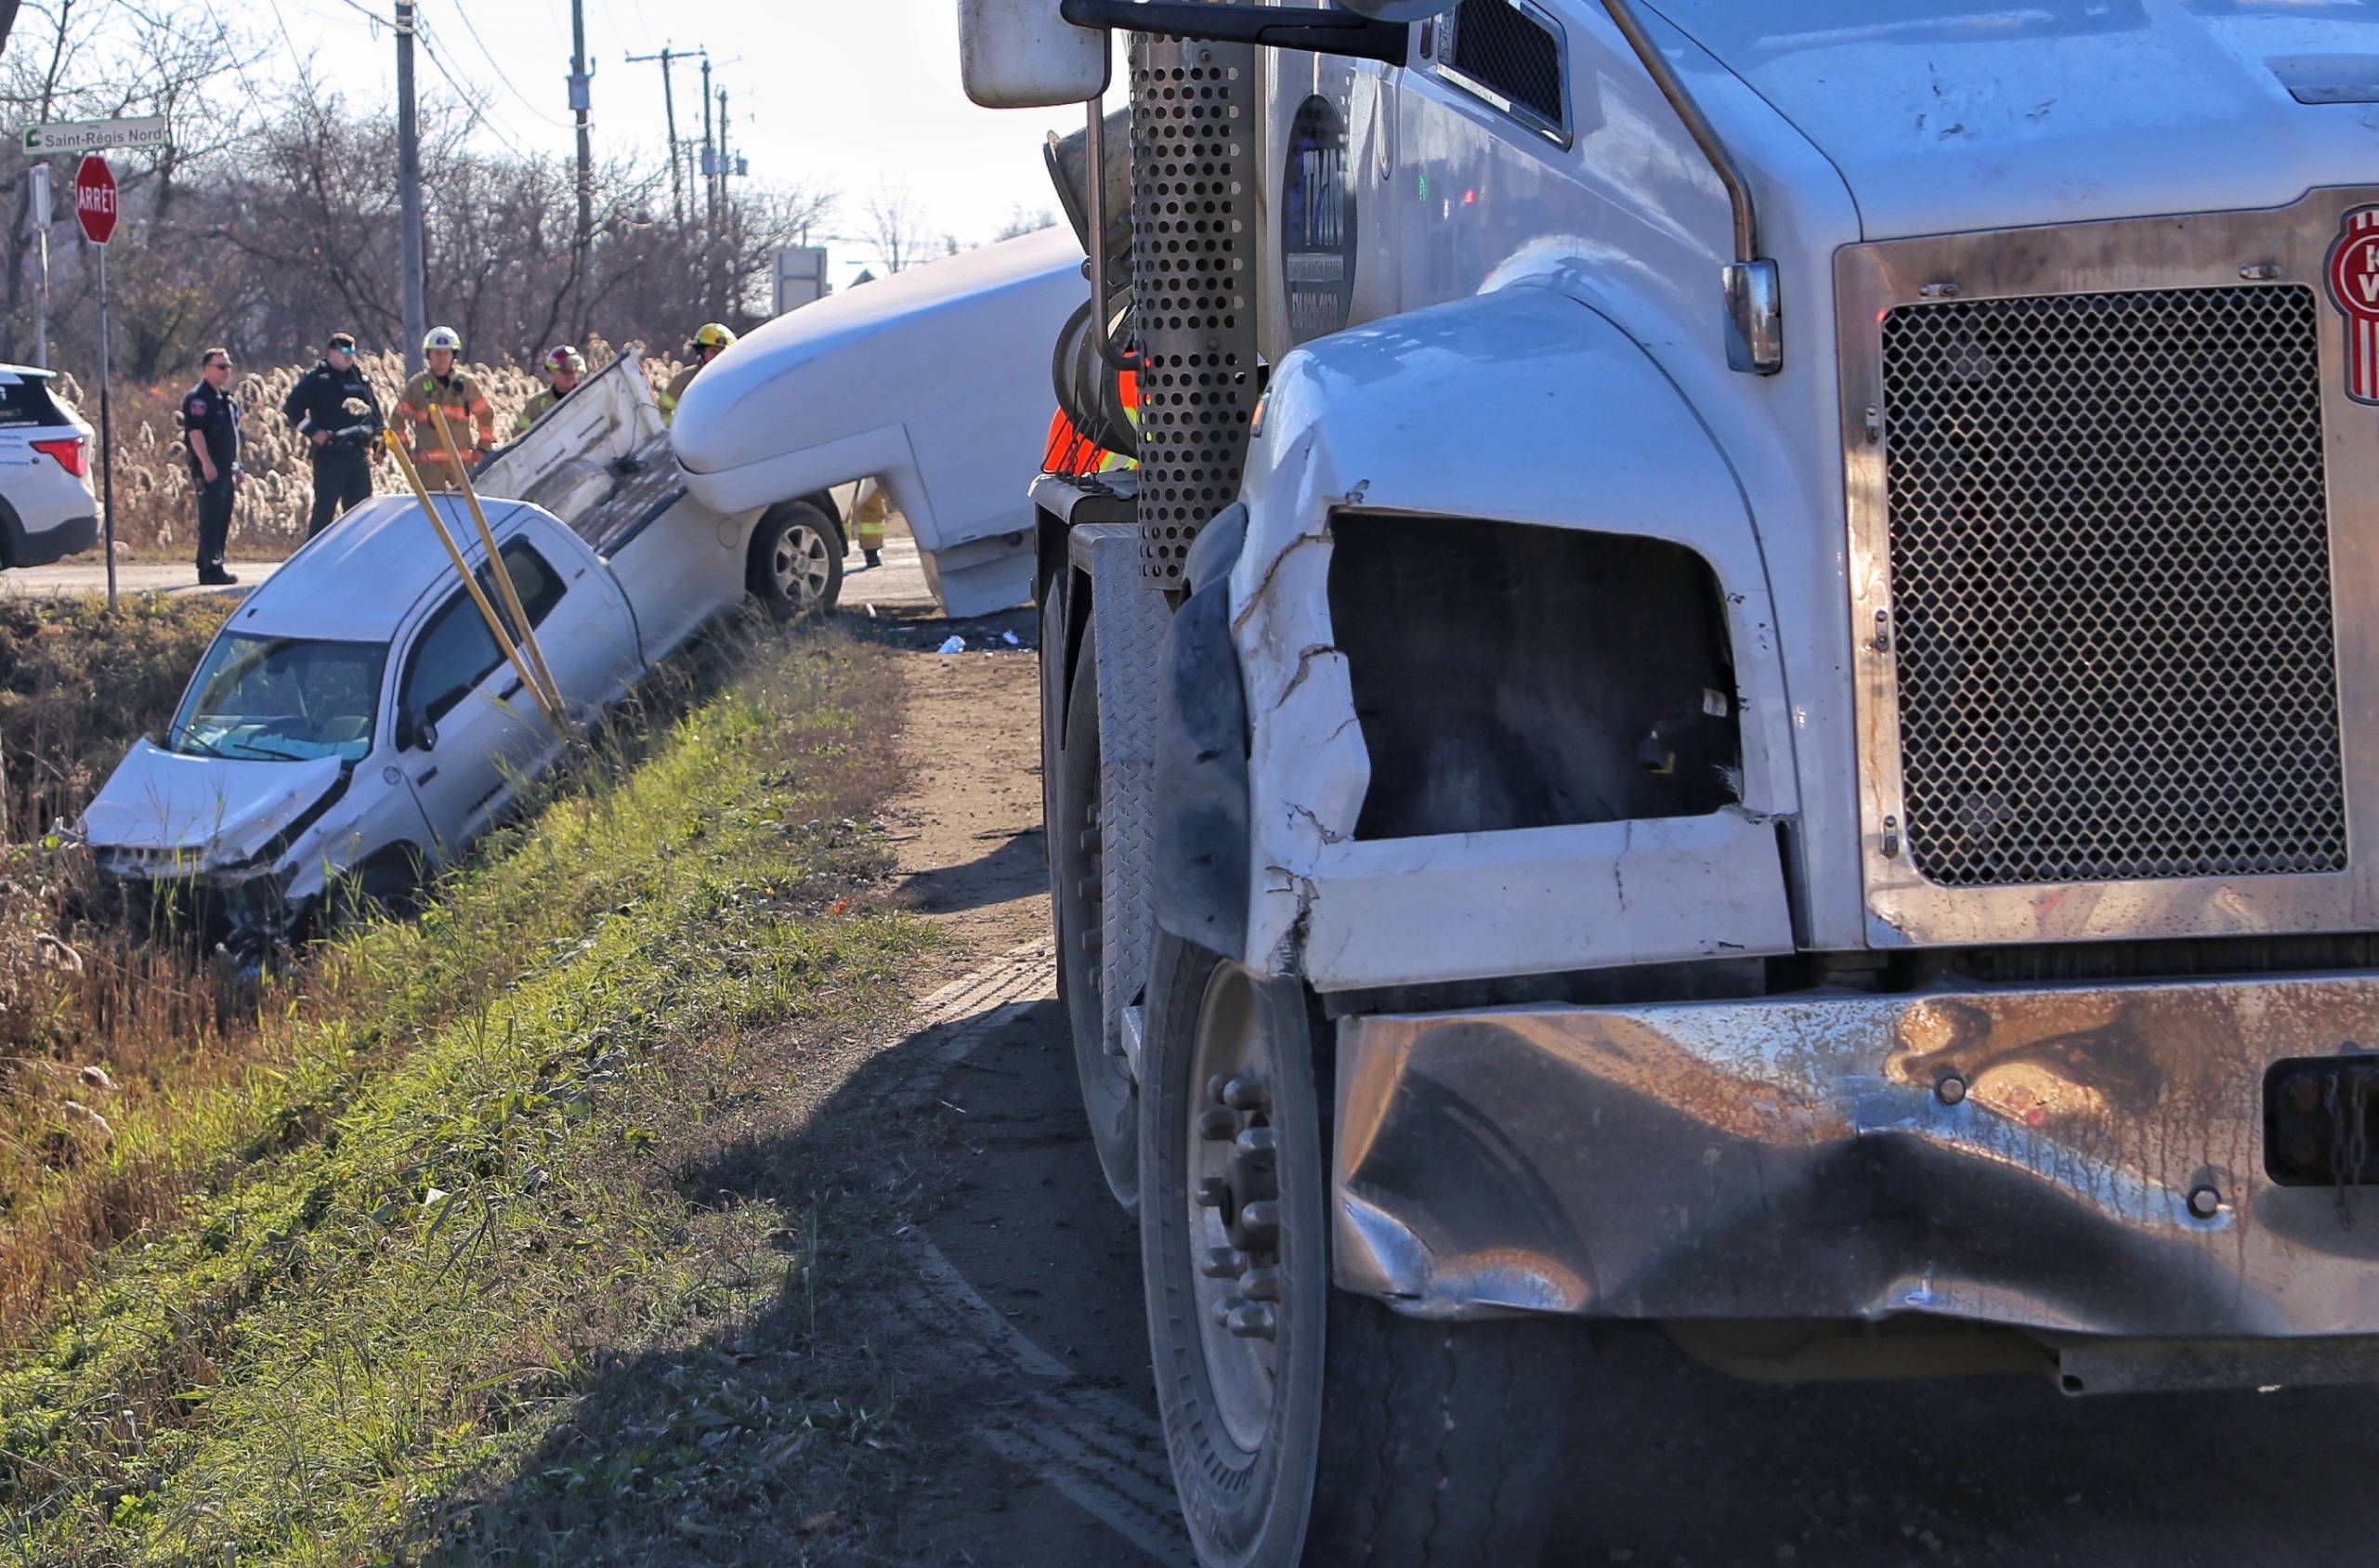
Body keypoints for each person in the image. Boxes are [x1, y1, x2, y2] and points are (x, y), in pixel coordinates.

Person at [281, 331, 384, 539]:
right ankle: (314, 559)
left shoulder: (359, 378)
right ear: (331, 352)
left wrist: (379, 446)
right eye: (344, 351)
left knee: (360, 511)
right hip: (330, 454)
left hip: (358, 454)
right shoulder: (317, 379)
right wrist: (313, 432)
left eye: (353, 351)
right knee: (325, 510)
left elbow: (375, 416)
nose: (349, 356)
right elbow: (292, 408)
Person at [392, 327, 495, 490]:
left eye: (446, 353)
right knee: (432, 509)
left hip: (462, 464)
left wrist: (484, 447)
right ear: (429, 355)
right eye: (437, 353)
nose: (442, 358)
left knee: (467, 509)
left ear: (453, 355)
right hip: (428, 465)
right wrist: (405, 451)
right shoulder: (417, 385)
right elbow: (397, 418)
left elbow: (485, 414)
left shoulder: (467, 384)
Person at [179, 347, 241, 585]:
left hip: (226, 467)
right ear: (207, 369)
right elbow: (195, 433)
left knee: (222, 517)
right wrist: (206, 463)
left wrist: (237, 466)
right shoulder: (199, 398)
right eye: (221, 367)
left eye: (229, 367)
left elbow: (233, 436)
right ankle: (210, 569)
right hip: (210, 468)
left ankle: (212, 563)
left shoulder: (225, 400)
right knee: (211, 518)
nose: (227, 371)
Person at [658, 322, 737, 425]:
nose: (719, 356)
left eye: (723, 352)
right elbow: (662, 410)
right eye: (714, 351)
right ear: (701, 351)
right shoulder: (685, 380)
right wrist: (674, 430)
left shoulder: (737, 380)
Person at [514, 346, 586, 434]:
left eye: (573, 371)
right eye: (564, 371)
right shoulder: (535, 404)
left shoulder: (588, 397)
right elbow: (518, 436)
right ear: (552, 372)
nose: (570, 375)